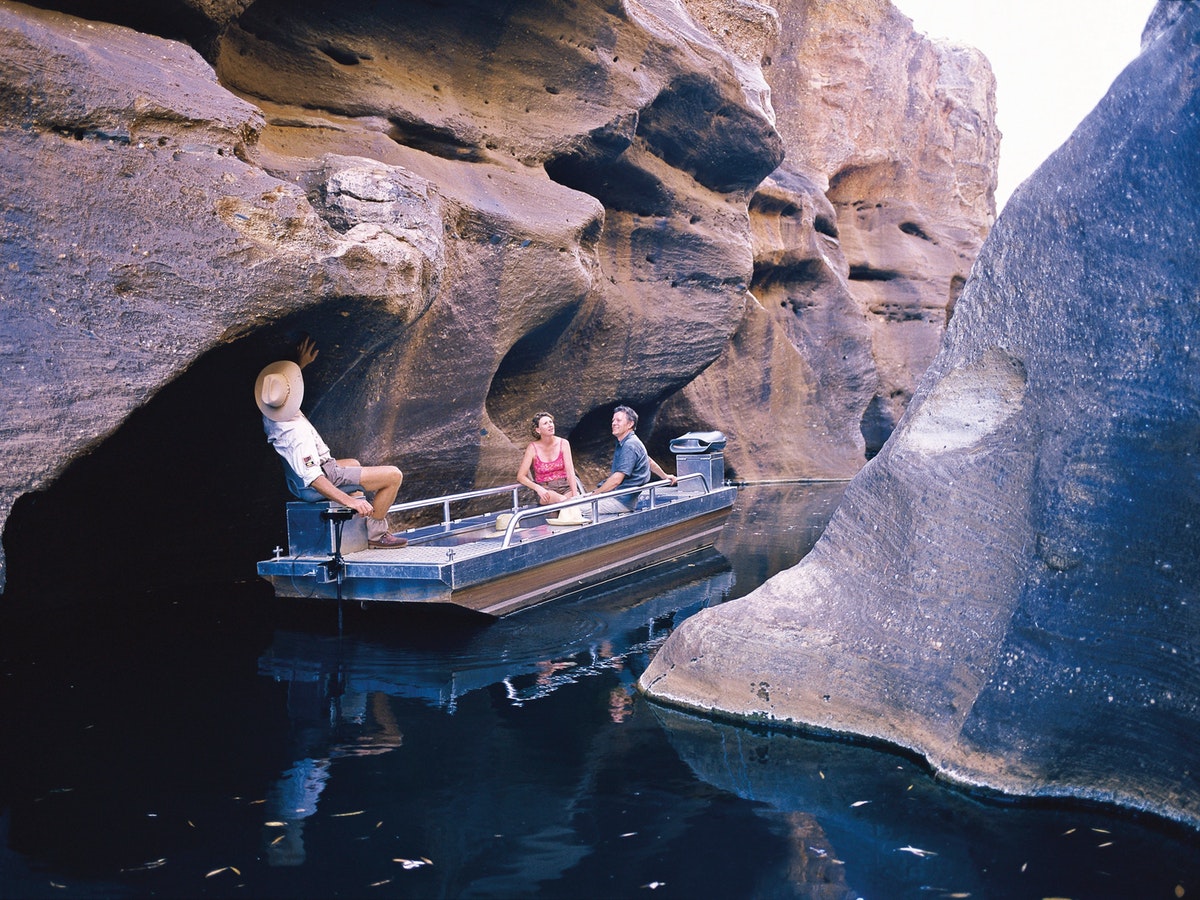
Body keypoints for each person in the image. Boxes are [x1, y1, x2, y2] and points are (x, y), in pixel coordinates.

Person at [255, 337, 407, 548]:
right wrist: (350, 501)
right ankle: (376, 533)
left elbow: (279, 393)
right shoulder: (296, 435)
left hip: (299, 479)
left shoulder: (270, 411)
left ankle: (356, 506)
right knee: (392, 476)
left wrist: (300, 364)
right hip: (314, 482)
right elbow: (314, 478)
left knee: (353, 463)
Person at [591, 405, 676, 515]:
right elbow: (648, 461)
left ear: (630, 424)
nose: (614, 423)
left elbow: (616, 479)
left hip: (620, 501)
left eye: (618, 420)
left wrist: (596, 494)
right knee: (573, 503)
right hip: (619, 497)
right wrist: (664, 476)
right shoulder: (628, 441)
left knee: (573, 509)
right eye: (613, 420)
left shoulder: (629, 445)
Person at [516, 412, 581, 505]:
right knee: (562, 500)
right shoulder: (532, 448)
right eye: (545, 423)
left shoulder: (564, 443)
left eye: (551, 422)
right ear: (538, 430)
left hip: (566, 486)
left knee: (574, 503)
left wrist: (575, 496)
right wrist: (537, 488)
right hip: (546, 488)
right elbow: (520, 476)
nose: (550, 425)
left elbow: (570, 472)